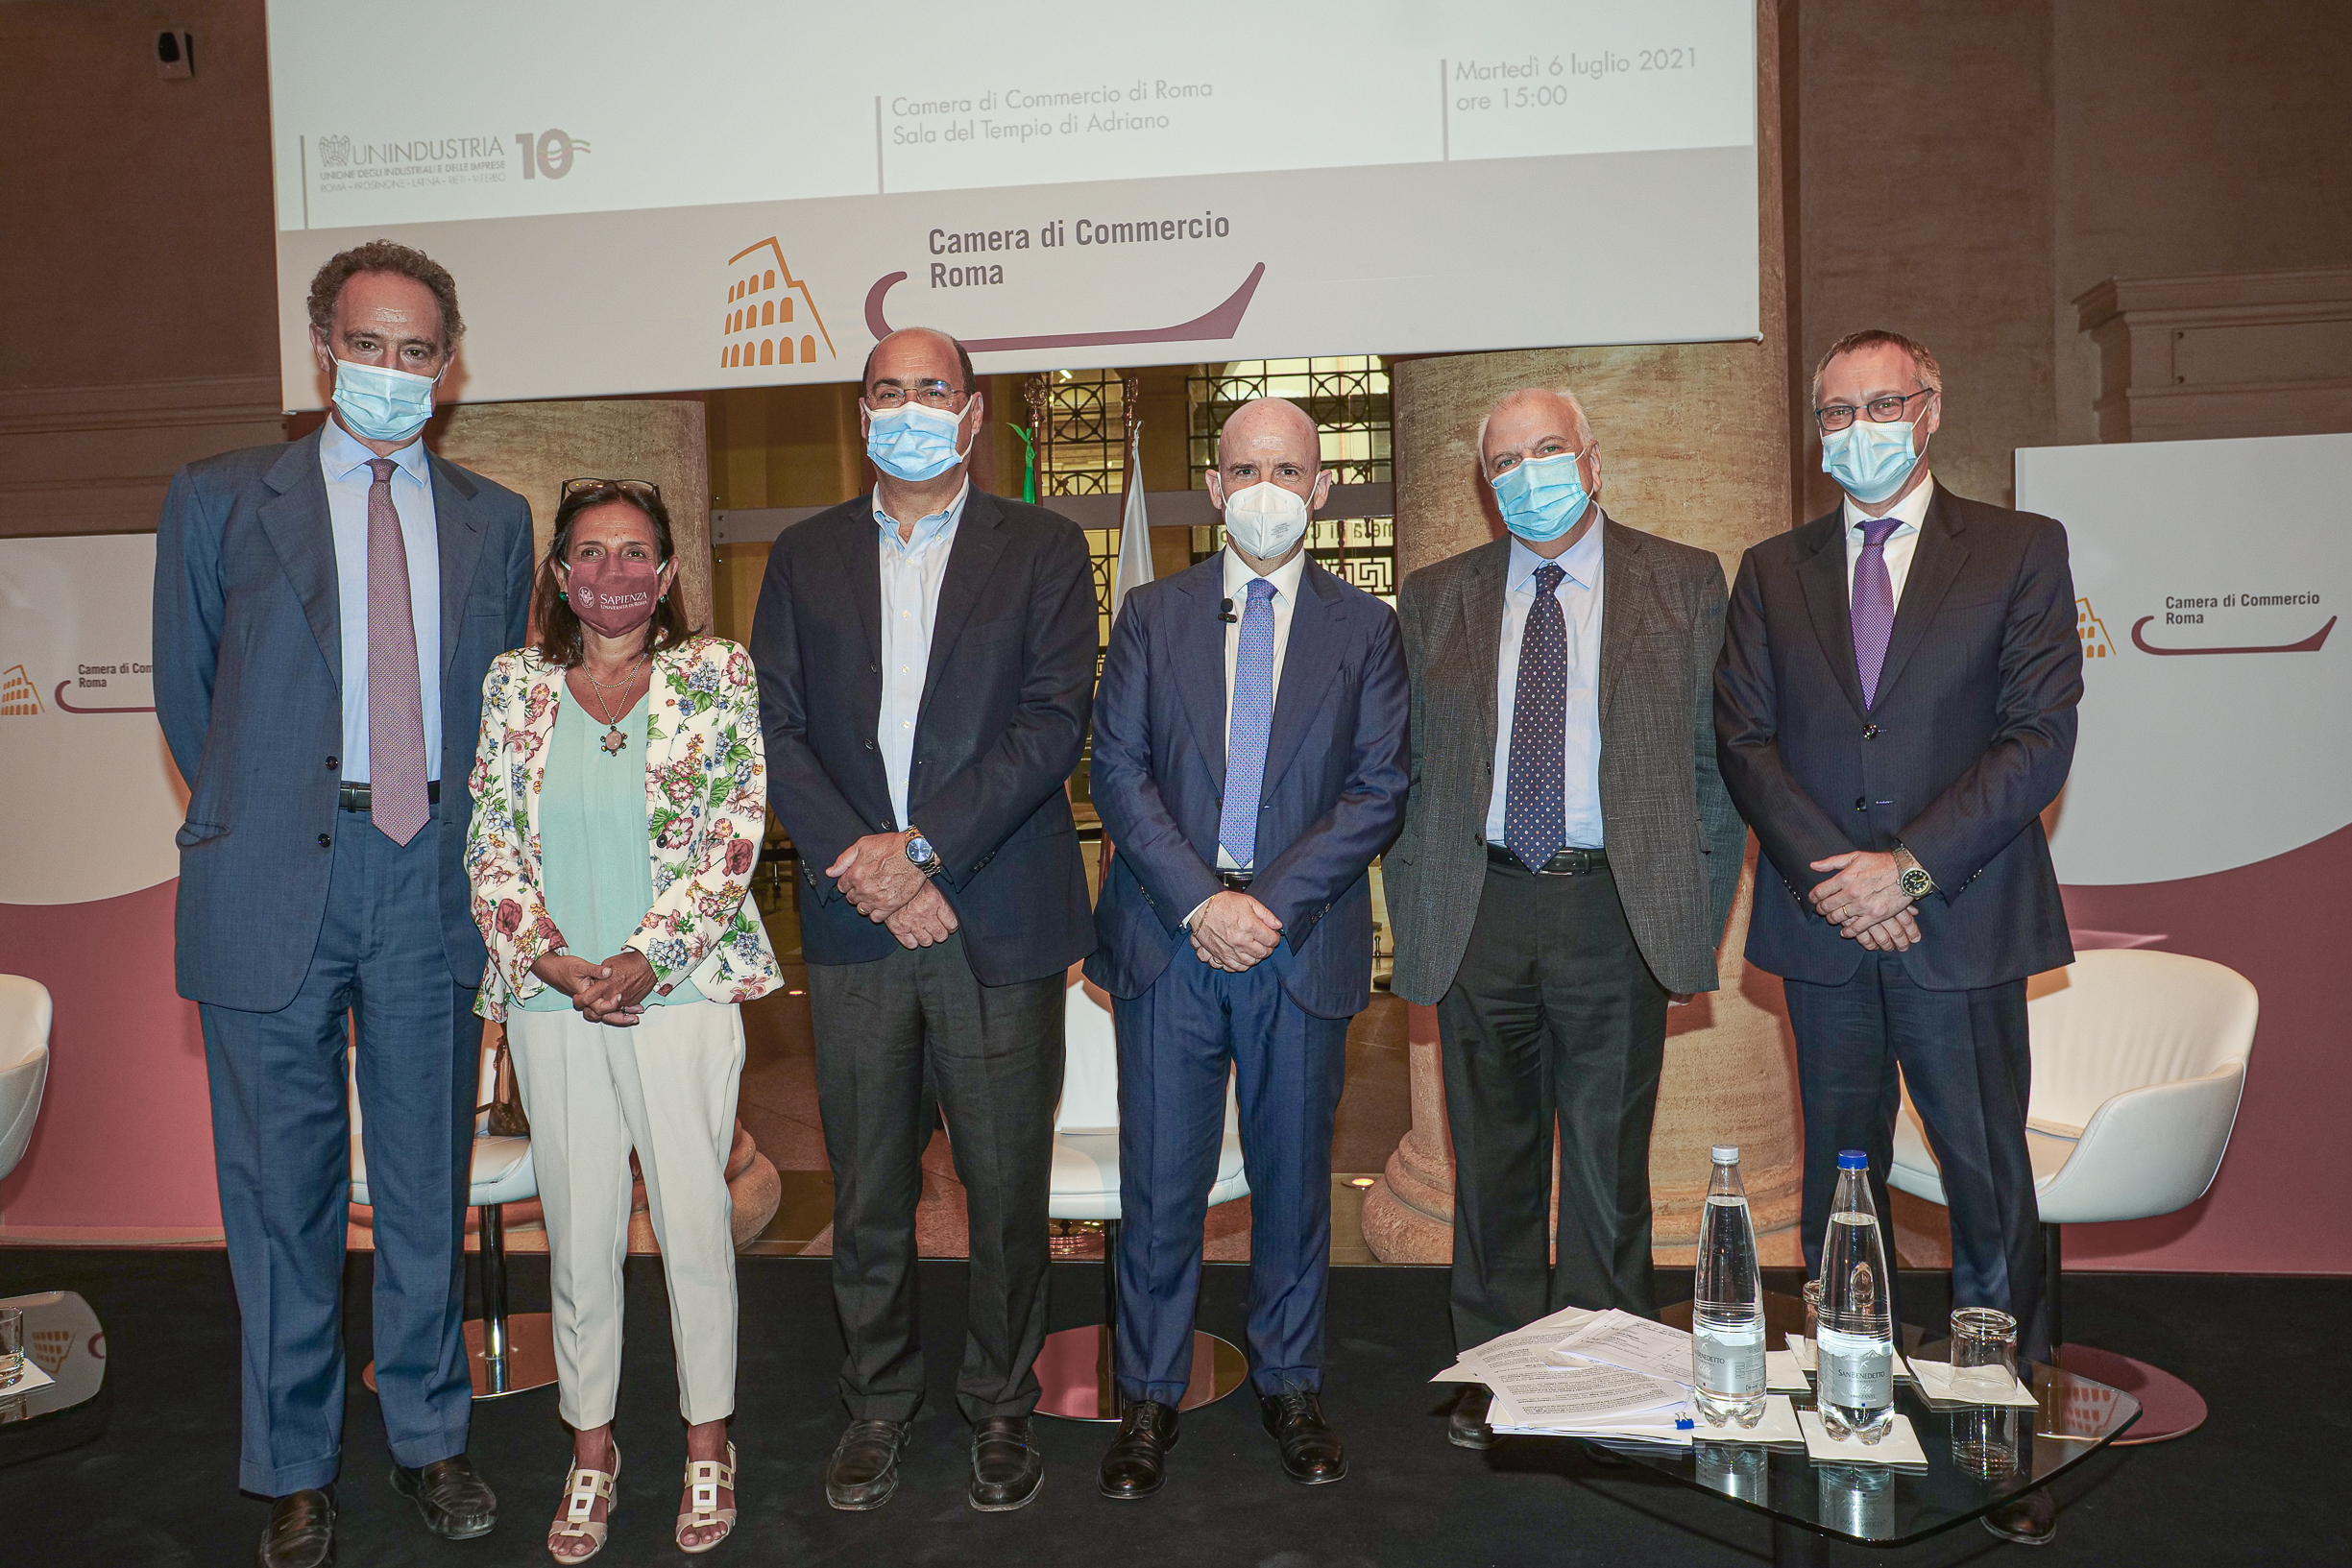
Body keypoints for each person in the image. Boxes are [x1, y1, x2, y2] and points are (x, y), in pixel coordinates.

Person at [153, 240, 530, 1568]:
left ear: (449, 364)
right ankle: (294, 1465)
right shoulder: (217, 497)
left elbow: (495, 706)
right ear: (323, 349)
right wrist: (272, 815)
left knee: (427, 1179)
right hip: (273, 876)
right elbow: (192, 697)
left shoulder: (494, 518)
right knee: (280, 1194)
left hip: (429, 872)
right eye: (368, 345)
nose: (390, 369)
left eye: (416, 351)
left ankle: (429, 1438)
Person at [1712, 329, 2079, 1544]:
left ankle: (1999, 1427)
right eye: (1836, 411)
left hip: (1957, 920)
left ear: (1929, 409)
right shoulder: (1773, 569)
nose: (1857, 428)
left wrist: (1905, 869)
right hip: (1824, 927)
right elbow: (1744, 740)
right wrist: (1840, 879)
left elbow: (2037, 736)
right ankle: (1845, 1404)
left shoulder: (2018, 549)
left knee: (1986, 1185)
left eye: (1882, 404)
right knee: (1838, 1182)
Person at [749, 326, 1097, 1514]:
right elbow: (774, 727)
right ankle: (876, 1403)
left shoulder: (1042, 549)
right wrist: (870, 869)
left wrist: (921, 850)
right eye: (886, 390)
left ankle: (1000, 1404)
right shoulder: (803, 554)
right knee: (867, 1191)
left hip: (994, 917)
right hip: (857, 925)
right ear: (861, 415)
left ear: (971, 411)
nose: (908, 408)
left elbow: (1050, 724)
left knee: (1004, 1192)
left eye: (931, 389)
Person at [1388, 387, 1745, 1450]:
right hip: (1479, 905)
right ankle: (1497, 1368)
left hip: (1613, 908)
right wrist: (1417, 909)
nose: (1528, 474)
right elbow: (1407, 772)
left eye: (1547, 450)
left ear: (1592, 461)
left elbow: (1716, 771)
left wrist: (1683, 926)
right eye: (1505, 461)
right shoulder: (1435, 595)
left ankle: (1598, 1376)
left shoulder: (1682, 580)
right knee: (1489, 1164)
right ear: (1484, 483)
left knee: (1604, 1166)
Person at [1085, 397, 1410, 1497]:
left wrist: (1265, 905)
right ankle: (1147, 1393)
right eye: (1246, 469)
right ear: (1216, 487)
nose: (1267, 488)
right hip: (1167, 940)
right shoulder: (1150, 613)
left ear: (1321, 488)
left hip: (1296, 943)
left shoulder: (1365, 629)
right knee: (1159, 1184)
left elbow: (1377, 790)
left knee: (1293, 1180)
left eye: (1289, 469)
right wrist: (1200, 903)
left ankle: (1290, 1383)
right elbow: (1117, 773)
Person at [468, 479, 781, 1558]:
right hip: (551, 1002)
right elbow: (489, 842)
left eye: (635, 551)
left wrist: (648, 957)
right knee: (579, 1231)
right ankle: (591, 1449)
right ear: (561, 575)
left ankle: (708, 1442)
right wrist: (552, 959)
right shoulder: (513, 684)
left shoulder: (716, 672)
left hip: (679, 997)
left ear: (668, 571)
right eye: (591, 552)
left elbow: (736, 831)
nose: (613, 571)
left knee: (694, 1223)